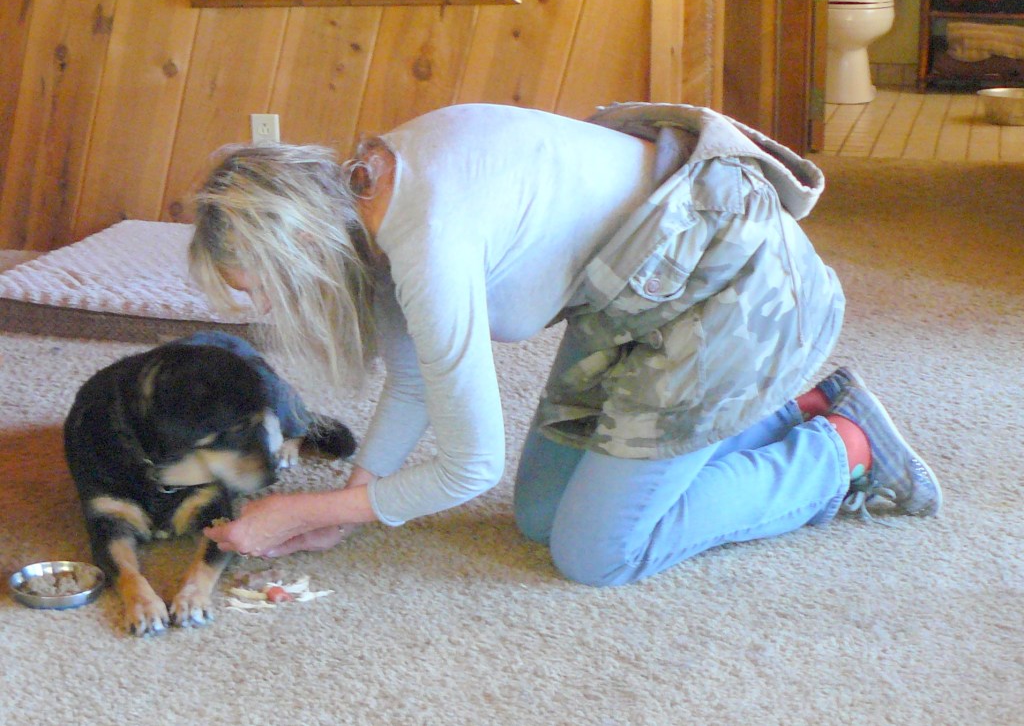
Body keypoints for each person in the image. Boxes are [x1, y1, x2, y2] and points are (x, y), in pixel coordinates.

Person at [190, 102, 942, 588]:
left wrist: (309, 512)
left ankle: (842, 451)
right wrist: (344, 502)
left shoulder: (429, 244)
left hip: (735, 292)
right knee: (542, 516)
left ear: (303, 251)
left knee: (597, 554)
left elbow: (471, 468)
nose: (264, 308)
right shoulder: (366, 196)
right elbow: (418, 383)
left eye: (262, 287)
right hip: (631, 307)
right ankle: (801, 410)